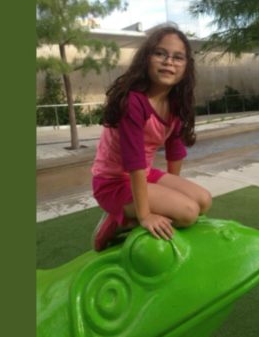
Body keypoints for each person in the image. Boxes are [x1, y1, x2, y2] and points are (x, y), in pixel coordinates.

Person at [91, 25, 212, 252]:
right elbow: (134, 160)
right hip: (113, 183)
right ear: (146, 58)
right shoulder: (132, 102)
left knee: (204, 201)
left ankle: (137, 212)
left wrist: (170, 199)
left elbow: (175, 150)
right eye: (160, 53)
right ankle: (117, 223)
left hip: (144, 174)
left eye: (178, 57)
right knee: (188, 213)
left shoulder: (174, 102)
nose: (168, 62)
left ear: (186, 67)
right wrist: (145, 214)